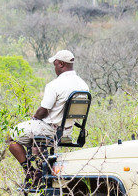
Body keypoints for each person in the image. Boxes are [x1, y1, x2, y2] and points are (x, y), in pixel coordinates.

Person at [7, 49, 89, 182]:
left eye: (55, 64)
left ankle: (30, 173)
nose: (54, 67)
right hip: (67, 132)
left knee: (11, 137)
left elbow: (43, 111)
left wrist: (35, 118)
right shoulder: (83, 85)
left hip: (51, 130)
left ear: (61, 64)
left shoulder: (55, 85)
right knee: (34, 133)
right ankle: (41, 169)